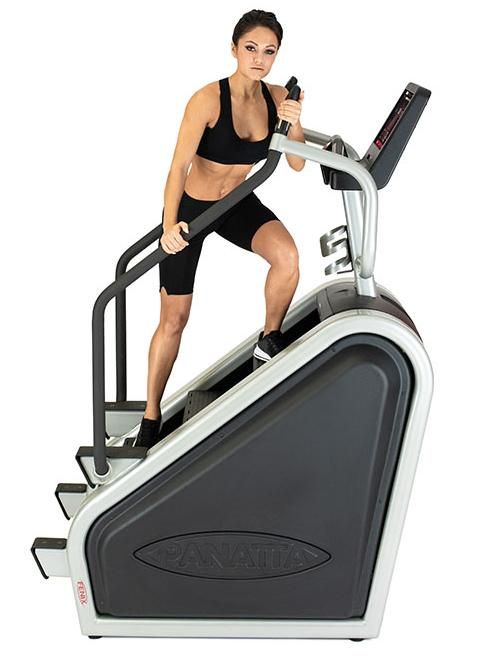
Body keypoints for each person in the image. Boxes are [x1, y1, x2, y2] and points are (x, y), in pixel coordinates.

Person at [135, 9, 306, 448]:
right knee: (174, 319)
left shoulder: (277, 97)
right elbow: (178, 167)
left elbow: (297, 163)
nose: (259, 58)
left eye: (269, 51)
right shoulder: (207, 100)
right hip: (192, 211)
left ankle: (269, 337)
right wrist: (169, 226)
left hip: (236, 204)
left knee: (287, 257)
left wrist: (294, 120)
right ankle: (150, 416)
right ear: (234, 49)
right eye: (251, 48)